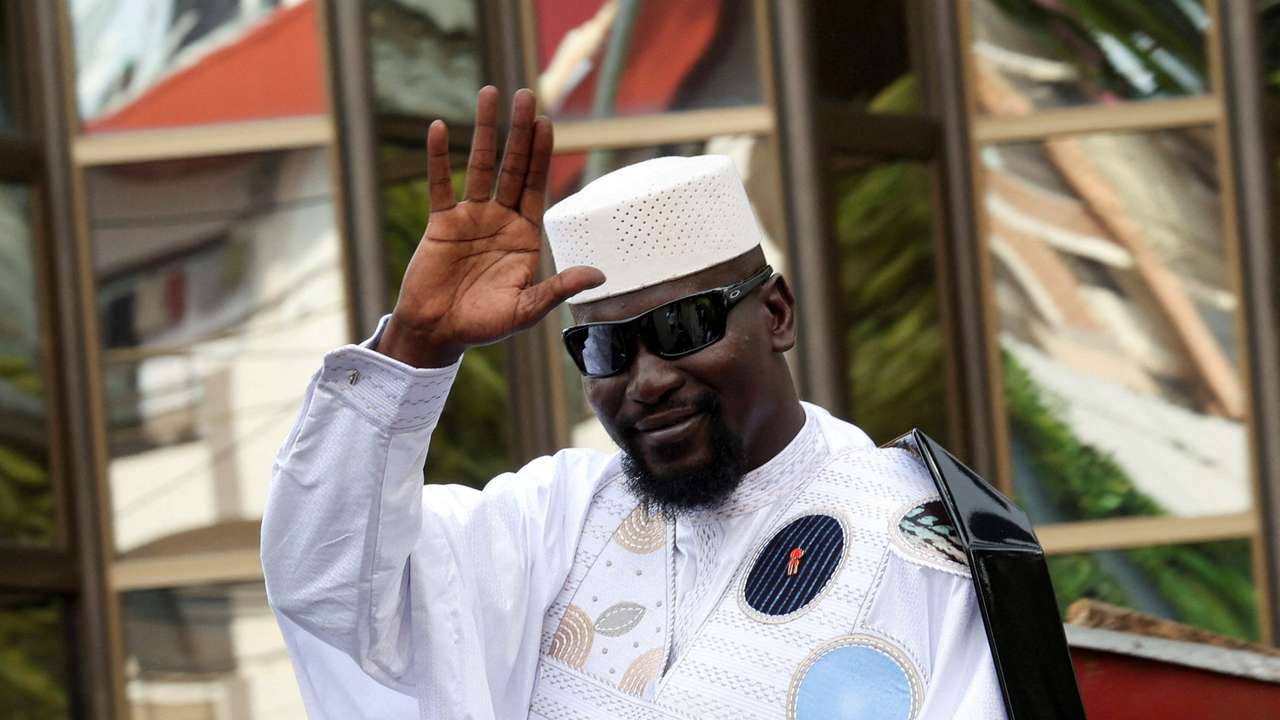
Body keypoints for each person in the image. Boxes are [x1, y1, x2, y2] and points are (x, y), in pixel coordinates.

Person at [262, 86, 1008, 720]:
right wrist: (416, 346)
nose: (647, 379)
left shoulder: (920, 543)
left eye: (682, 328)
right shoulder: (555, 520)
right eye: (607, 348)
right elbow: (327, 586)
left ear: (776, 314)